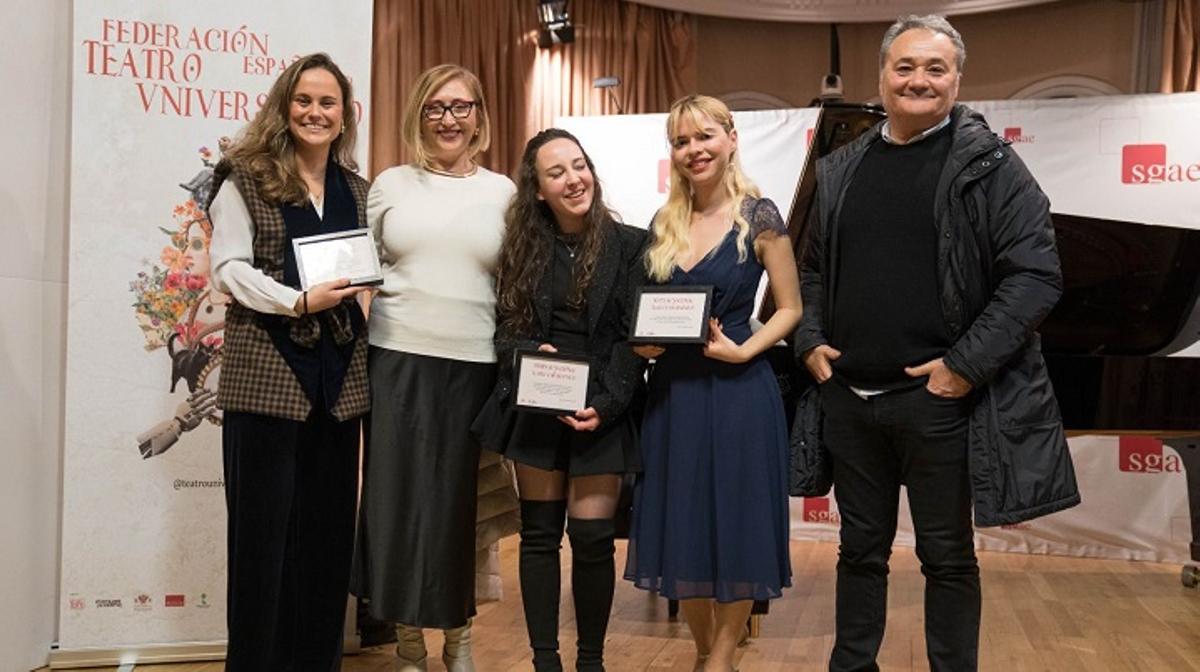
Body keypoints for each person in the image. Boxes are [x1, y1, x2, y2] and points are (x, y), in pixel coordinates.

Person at [791, 15, 1080, 672]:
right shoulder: (840, 169)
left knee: (947, 558)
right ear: (883, 74)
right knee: (858, 551)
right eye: (906, 66)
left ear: (957, 79)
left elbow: (1036, 275)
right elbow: (808, 270)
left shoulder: (994, 166)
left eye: (935, 68)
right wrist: (809, 340)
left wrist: (962, 366)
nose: (919, 79)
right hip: (849, 397)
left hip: (938, 401)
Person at [624, 95, 802, 672]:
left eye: (704, 136)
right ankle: (705, 650)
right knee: (681, 526)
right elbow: (648, 316)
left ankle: (722, 656)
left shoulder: (761, 215)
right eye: (681, 141)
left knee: (740, 523)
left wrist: (744, 347)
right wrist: (644, 344)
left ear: (730, 138)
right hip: (673, 395)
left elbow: (789, 308)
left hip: (739, 393)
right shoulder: (663, 222)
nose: (694, 150)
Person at [206, 52, 370, 671]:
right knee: (260, 547)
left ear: (345, 114)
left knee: (327, 545)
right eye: (303, 100)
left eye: (327, 102)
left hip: (340, 387)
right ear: (284, 105)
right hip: (266, 379)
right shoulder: (244, 177)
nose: (314, 112)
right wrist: (296, 301)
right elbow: (229, 269)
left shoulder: (358, 188)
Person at [353, 63, 515, 672]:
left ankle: (459, 638)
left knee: (455, 508)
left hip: (473, 364)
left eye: (461, 107)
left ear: (478, 115)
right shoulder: (390, 183)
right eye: (435, 108)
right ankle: (409, 644)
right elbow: (358, 272)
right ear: (418, 115)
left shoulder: (503, 192)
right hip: (395, 359)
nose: (449, 119)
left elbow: (517, 282)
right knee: (393, 506)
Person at [472, 128, 647, 671]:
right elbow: (505, 331)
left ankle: (590, 661)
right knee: (541, 537)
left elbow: (633, 337)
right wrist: (530, 354)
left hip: (602, 407)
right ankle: (545, 660)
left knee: (594, 540)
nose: (573, 179)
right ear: (538, 189)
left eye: (579, 166)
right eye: (557, 173)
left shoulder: (631, 243)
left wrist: (607, 402)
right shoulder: (521, 249)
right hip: (537, 402)